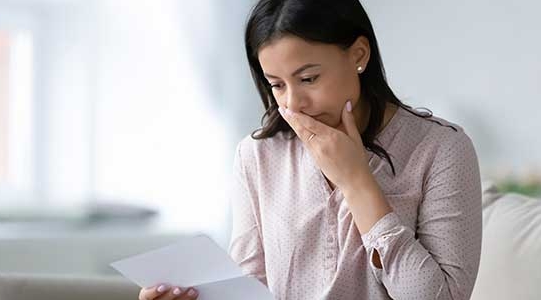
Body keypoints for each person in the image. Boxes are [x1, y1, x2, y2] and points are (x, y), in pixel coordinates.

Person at [139, 0, 481, 299]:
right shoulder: (257, 156)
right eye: (276, 85)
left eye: (308, 79)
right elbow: (250, 289)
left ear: (359, 55)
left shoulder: (442, 149)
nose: (293, 103)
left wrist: (357, 182)